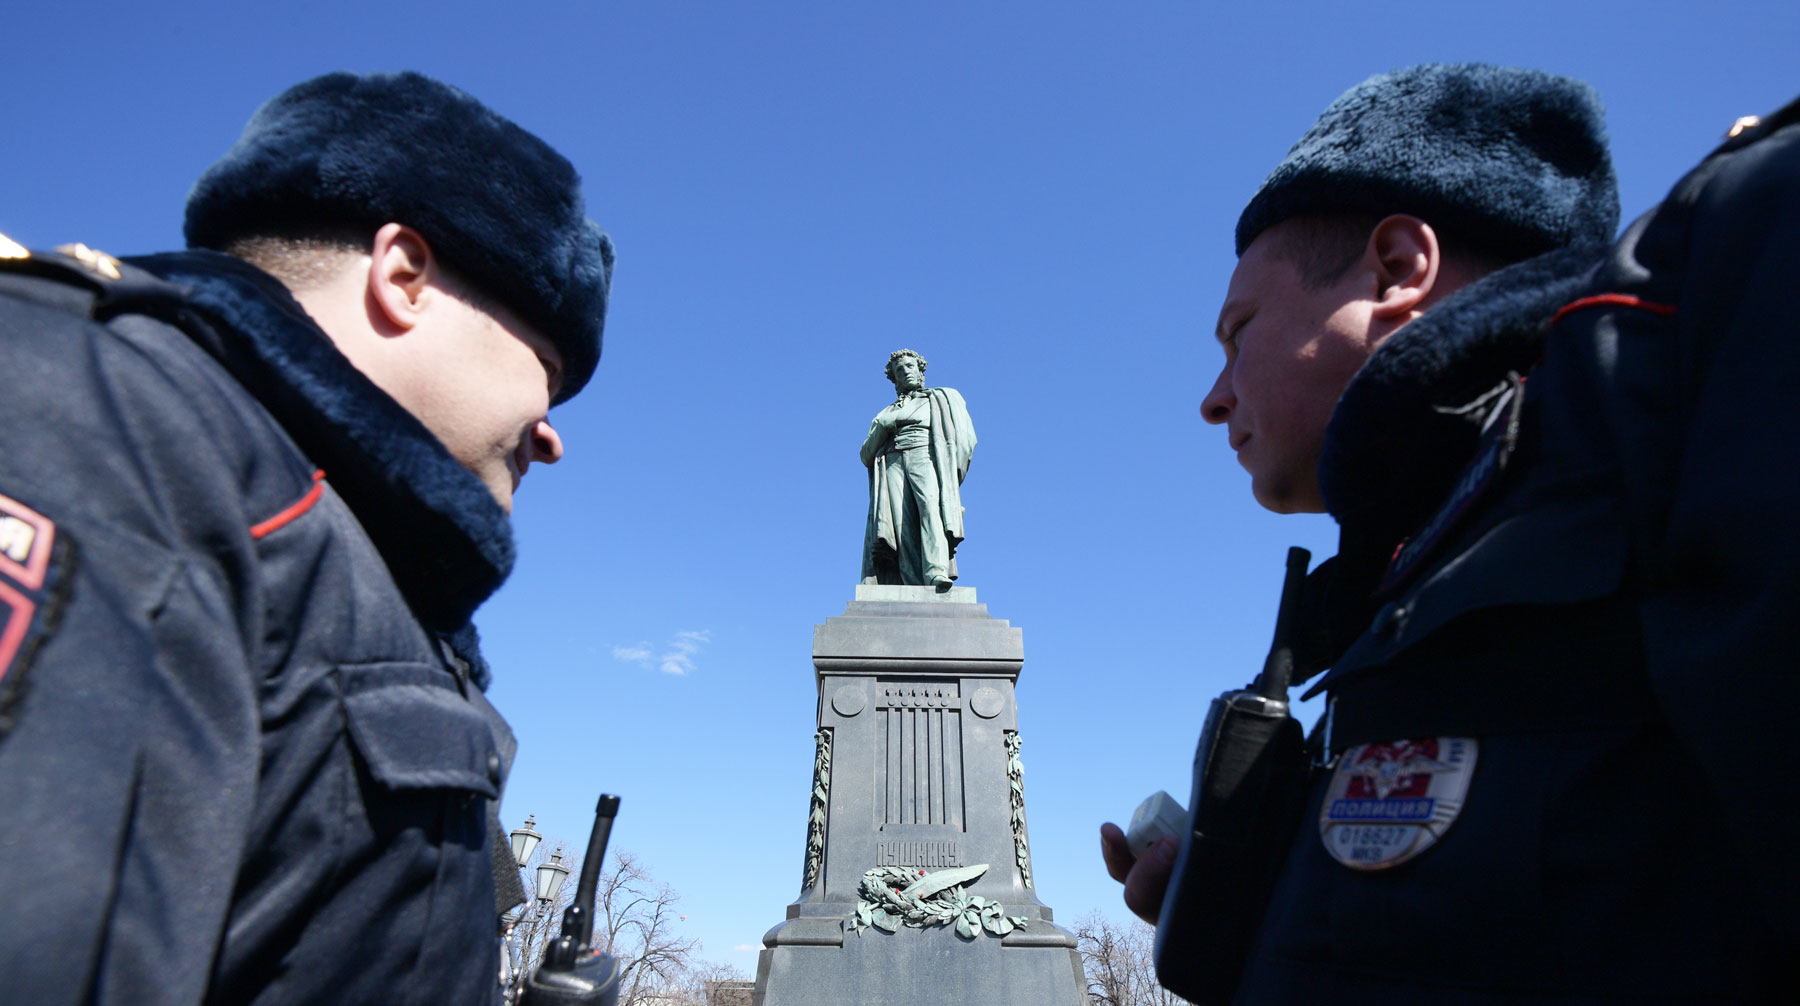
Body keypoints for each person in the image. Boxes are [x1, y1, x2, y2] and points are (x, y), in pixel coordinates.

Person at [1108, 62, 1797, 1002]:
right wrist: (1261, 910)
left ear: (1397, 269)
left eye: (1239, 332)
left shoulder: (1679, 385)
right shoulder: (1433, 556)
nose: (1214, 396)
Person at [0, 71, 613, 1004]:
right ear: (403, 278)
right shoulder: (108, 432)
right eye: (549, 369)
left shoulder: (330, 549)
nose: (551, 435)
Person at [859, 349, 976, 588]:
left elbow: (966, 439)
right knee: (901, 525)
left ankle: (936, 572)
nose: (905, 372)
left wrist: (952, 474)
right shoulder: (885, 413)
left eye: (909, 367)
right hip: (893, 462)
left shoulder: (941, 399)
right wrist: (883, 426)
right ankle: (912, 582)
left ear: (920, 371)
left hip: (925, 456)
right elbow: (865, 454)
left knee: (930, 510)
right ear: (894, 379)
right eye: (899, 370)